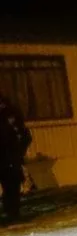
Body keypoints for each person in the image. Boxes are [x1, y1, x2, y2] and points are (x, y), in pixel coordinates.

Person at [0, 93, 32, 223]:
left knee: (11, 187)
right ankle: (12, 212)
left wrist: (19, 153)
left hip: (10, 157)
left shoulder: (10, 114)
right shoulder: (10, 114)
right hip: (9, 157)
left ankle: (12, 213)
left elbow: (24, 135)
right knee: (11, 187)